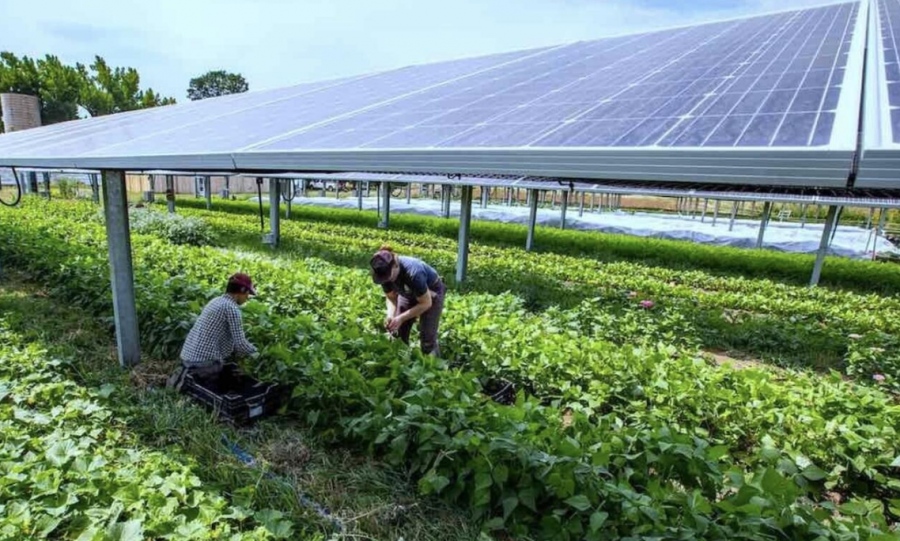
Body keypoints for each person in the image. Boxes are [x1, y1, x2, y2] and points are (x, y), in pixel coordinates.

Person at [167, 273, 258, 391]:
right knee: (221, 380)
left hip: (187, 357)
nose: (247, 297)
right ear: (240, 292)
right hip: (204, 363)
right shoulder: (232, 309)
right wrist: (257, 354)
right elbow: (240, 345)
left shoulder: (216, 301)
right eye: (247, 293)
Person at [370, 245, 445, 357]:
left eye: (388, 277)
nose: (386, 280)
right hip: (407, 292)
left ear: (395, 266)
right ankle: (401, 363)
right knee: (398, 332)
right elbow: (391, 298)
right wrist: (391, 315)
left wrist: (401, 317)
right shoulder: (383, 272)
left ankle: (435, 369)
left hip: (431, 294)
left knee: (427, 339)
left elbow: (426, 303)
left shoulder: (413, 273)